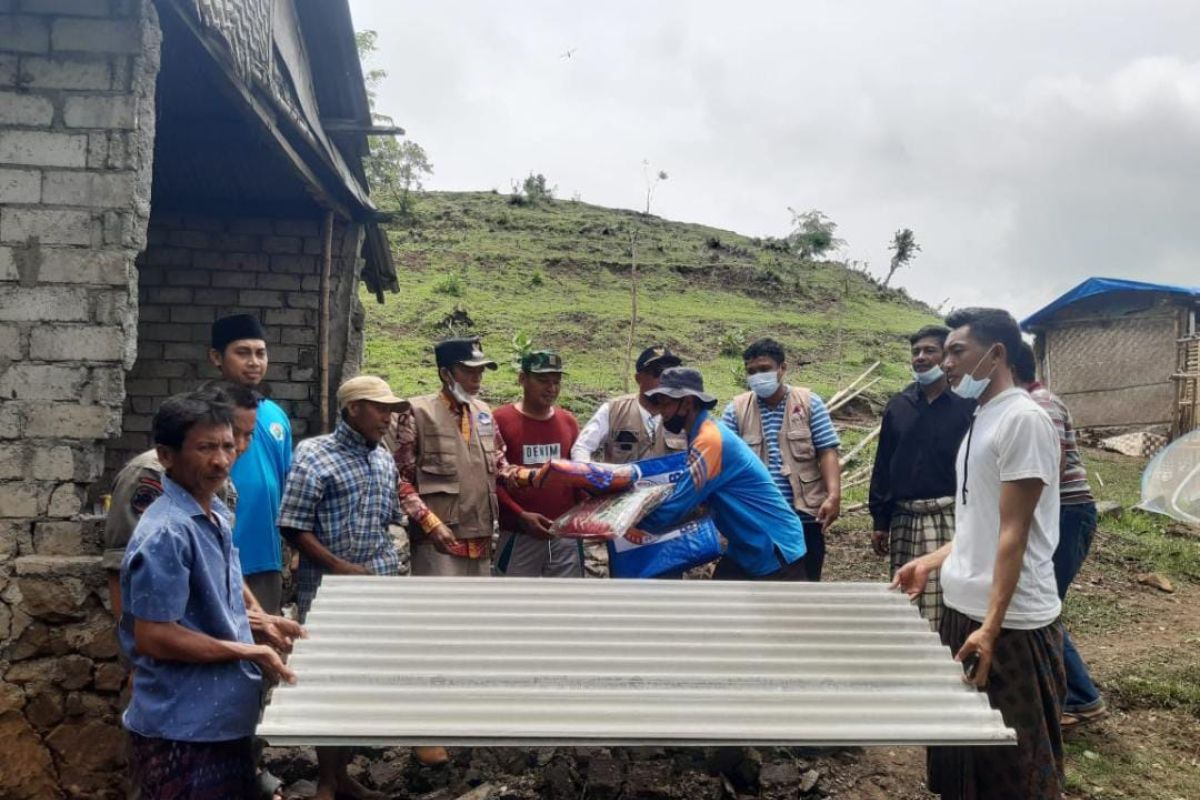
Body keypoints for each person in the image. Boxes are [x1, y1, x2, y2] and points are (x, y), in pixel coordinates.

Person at [893, 307, 1066, 800]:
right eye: (943, 353)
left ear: (996, 355)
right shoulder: (982, 418)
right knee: (958, 751)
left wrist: (990, 627)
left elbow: (1014, 532)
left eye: (956, 351)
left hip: (1009, 622)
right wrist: (930, 562)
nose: (945, 363)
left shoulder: (1024, 421)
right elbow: (977, 525)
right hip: (963, 607)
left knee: (1011, 761)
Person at [119, 391, 301, 800]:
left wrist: (261, 621)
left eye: (226, 445)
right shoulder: (167, 532)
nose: (221, 460)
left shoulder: (214, 515)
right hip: (182, 728)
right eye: (205, 448)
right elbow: (155, 636)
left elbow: (212, 599)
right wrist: (246, 651)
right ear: (166, 455)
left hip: (221, 718)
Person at [278, 376, 409, 800]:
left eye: (391, 410)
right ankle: (326, 780)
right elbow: (293, 525)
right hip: (328, 591)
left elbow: (390, 517)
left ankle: (344, 775)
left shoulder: (383, 459)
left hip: (377, 587)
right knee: (327, 680)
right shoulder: (314, 455)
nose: (388, 417)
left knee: (360, 681)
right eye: (379, 408)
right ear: (352, 409)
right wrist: (339, 567)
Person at [636, 367, 810, 580]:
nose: (661, 410)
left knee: (774, 611)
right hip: (746, 545)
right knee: (719, 602)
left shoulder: (710, 441)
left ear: (688, 403)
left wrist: (628, 522)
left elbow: (679, 503)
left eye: (666, 403)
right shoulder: (702, 435)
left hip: (772, 545)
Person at [104, 381, 258, 618]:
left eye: (247, 436)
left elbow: (222, 562)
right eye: (234, 434)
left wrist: (253, 613)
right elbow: (122, 566)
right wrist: (135, 646)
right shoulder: (149, 476)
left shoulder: (219, 482)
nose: (240, 446)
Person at [1014, 342, 1108, 729]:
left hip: (1066, 515)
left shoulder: (1041, 407)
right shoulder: (1035, 404)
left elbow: (1041, 470)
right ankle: (1067, 692)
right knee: (1041, 601)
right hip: (1063, 514)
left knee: (1043, 604)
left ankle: (1081, 697)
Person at [868, 325, 975, 630]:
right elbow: (884, 463)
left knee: (947, 594)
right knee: (907, 595)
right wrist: (880, 519)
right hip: (904, 516)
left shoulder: (967, 405)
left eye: (930, 351)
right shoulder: (899, 405)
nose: (920, 357)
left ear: (946, 357)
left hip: (949, 515)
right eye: (915, 352)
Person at [720, 338, 840, 581]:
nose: (757, 376)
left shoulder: (808, 403)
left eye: (764, 369)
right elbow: (724, 463)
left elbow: (827, 450)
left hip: (804, 519)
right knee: (749, 591)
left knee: (802, 592)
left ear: (782, 368)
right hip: (755, 521)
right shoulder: (735, 410)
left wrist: (833, 495)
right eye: (751, 371)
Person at [209, 314, 293, 616]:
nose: (254, 362)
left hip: (266, 558)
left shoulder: (275, 416)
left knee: (263, 644)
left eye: (260, 353)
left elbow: (285, 486)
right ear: (216, 357)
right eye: (242, 352)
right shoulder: (200, 414)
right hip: (214, 557)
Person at [493, 350, 584, 577]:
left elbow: (578, 477)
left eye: (556, 382)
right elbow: (491, 477)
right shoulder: (501, 420)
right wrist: (520, 515)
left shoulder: (568, 422)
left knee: (565, 604)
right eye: (542, 380)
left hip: (563, 536)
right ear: (522, 379)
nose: (551, 388)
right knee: (516, 604)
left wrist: (581, 517)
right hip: (518, 534)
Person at [571, 346, 686, 462]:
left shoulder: (682, 413)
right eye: (658, 372)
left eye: (670, 373)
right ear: (638, 378)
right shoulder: (614, 410)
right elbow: (581, 448)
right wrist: (595, 474)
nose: (664, 380)